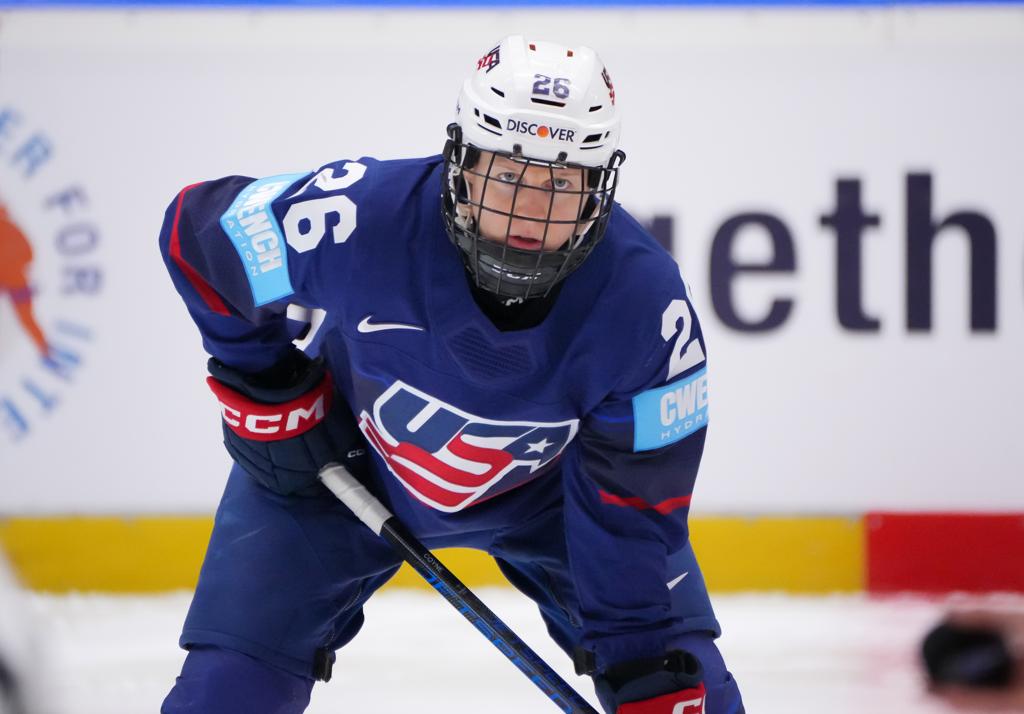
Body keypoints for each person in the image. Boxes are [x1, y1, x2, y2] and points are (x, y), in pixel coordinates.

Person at [159, 36, 744, 714]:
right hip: (337, 472)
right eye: (510, 174)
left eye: (560, 183)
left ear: (596, 192)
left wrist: (640, 657)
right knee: (224, 695)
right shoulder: (361, 217)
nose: (531, 210)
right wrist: (270, 390)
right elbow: (198, 235)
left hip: (555, 506)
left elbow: (634, 504)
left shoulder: (646, 308)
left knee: (687, 689)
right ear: (462, 165)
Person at [0, 201, 49, 359]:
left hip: (17, 282)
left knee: (26, 317)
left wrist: (12, 267)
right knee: (27, 317)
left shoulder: (10, 230)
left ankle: (45, 349)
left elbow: (28, 253)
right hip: (12, 281)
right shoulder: (12, 229)